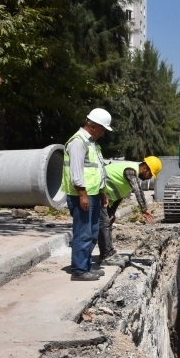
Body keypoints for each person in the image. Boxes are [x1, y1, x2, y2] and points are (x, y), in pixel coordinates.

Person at [62, 108, 111, 281]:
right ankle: (79, 270)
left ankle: (87, 265)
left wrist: (102, 192)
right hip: (81, 195)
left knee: (92, 232)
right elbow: (76, 172)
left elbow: (98, 170)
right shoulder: (78, 142)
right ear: (93, 126)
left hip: (93, 194)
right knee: (83, 233)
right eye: (103, 129)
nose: (103, 133)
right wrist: (82, 194)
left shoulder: (92, 144)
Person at [97, 157, 162, 266]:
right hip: (97, 193)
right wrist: (144, 209)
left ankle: (108, 251)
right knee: (104, 224)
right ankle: (106, 256)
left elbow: (119, 195)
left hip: (104, 197)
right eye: (150, 174)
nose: (150, 178)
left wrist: (112, 211)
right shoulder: (131, 170)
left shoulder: (131, 173)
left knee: (107, 222)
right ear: (145, 169)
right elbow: (138, 190)